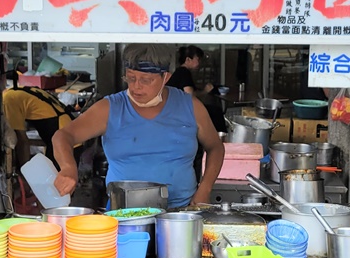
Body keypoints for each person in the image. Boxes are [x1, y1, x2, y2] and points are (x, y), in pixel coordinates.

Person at [52, 43, 225, 209]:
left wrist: (205, 188)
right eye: (131, 77)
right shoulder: (109, 108)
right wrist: (68, 167)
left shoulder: (190, 106)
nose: (136, 87)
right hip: (124, 212)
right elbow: (63, 136)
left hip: (180, 212)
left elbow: (215, 147)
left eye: (146, 80)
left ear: (166, 77)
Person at [2, 85, 74, 170]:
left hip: (63, 136)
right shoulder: (15, 90)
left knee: (55, 178)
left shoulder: (8, 100)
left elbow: (22, 141)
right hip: (70, 128)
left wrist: (25, 171)